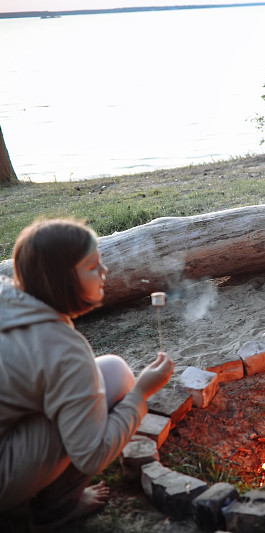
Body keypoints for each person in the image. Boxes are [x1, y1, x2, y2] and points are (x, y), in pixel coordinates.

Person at [0, 218, 175, 530]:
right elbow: (91, 455)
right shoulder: (61, 348)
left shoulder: (9, 300)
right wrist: (140, 394)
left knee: (112, 370)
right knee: (113, 387)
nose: (104, 271)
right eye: (93, 265)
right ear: (63, 279)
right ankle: (58, 508)